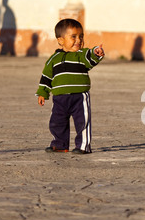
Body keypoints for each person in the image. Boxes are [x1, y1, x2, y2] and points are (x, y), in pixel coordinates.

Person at [35, 19, 104, 154]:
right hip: (59, 98)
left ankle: (83, 146)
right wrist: (42, 92)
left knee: (82, 123)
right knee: (56, 122)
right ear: (60, 40)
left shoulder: (81, 55)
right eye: (73, 37)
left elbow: (91, 56)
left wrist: (96, 52)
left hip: (80, 97)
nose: (78, 40)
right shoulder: (53, 59)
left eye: (81, 37)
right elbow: (46, 77)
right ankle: (60, 144)